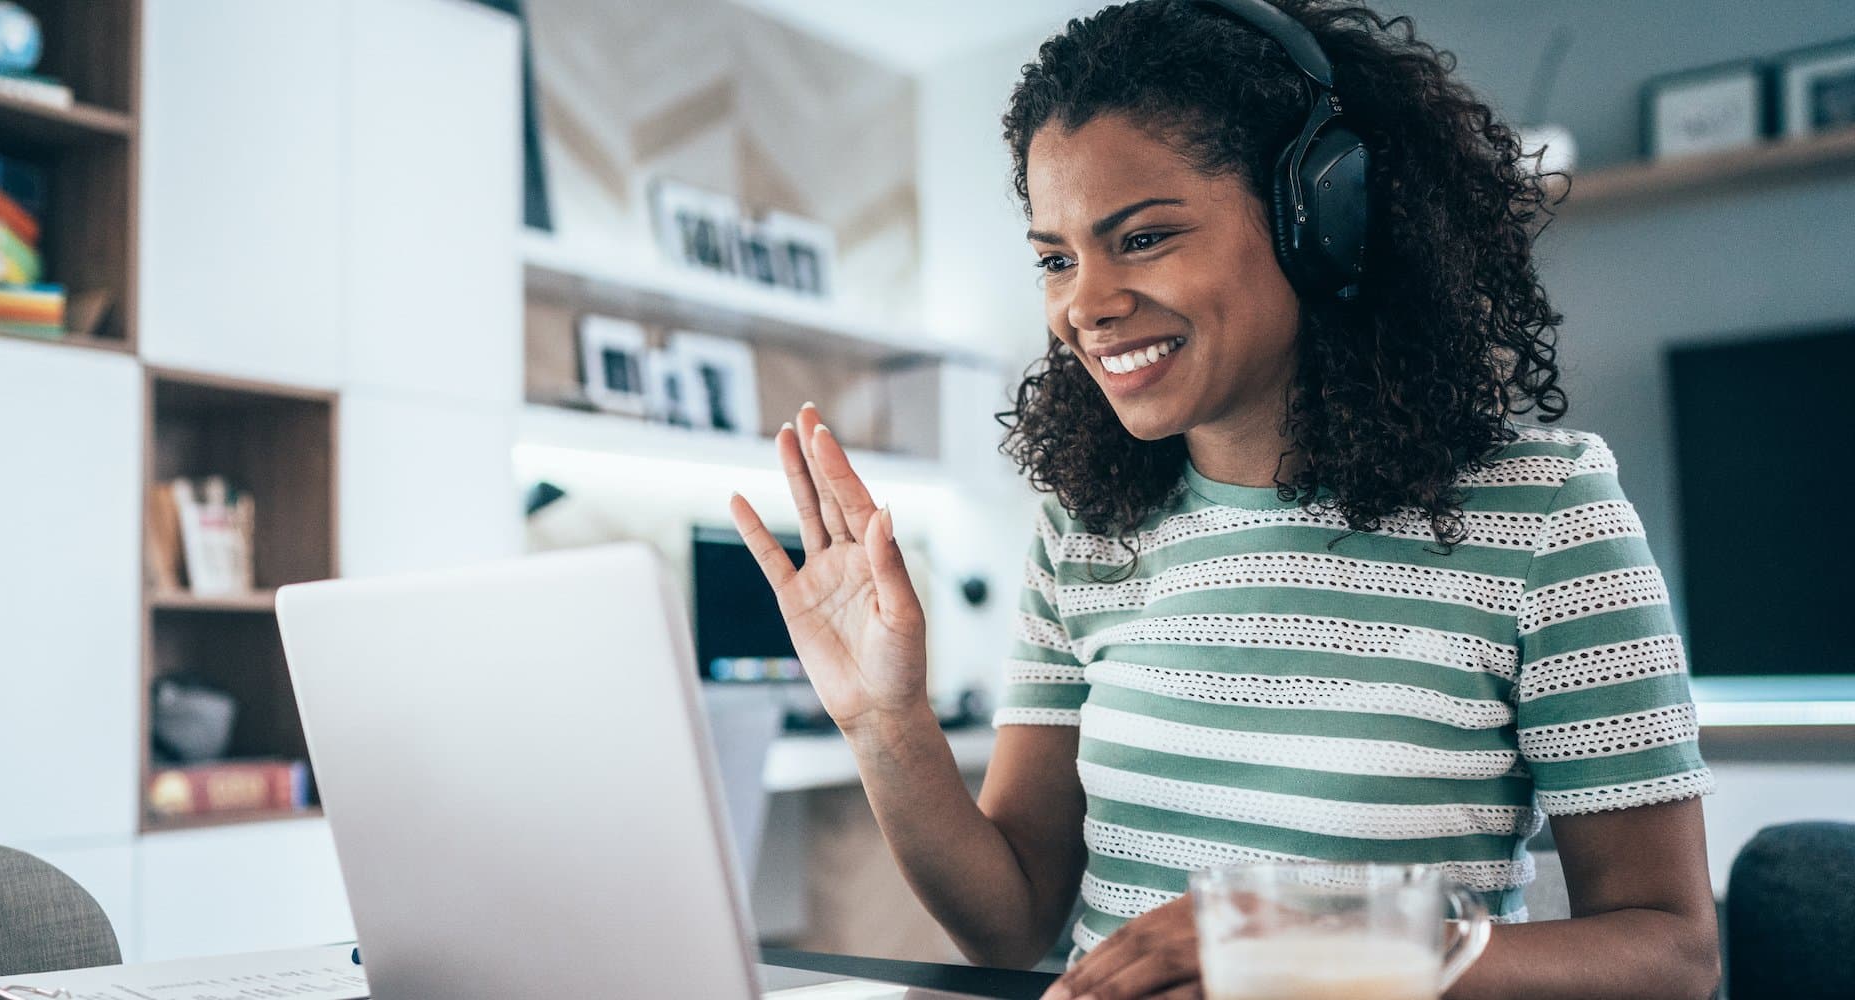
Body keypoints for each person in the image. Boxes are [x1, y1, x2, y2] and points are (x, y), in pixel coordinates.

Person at [727, 1, 1722, 997]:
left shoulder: (1544, 511)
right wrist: (883, 721)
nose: (1083, 304)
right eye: (1055, 258)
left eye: (1145, 237)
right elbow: (1008, 924)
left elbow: (1673, 954)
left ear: (1318, 222)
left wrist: (1330, 955)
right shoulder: (1082, 533)